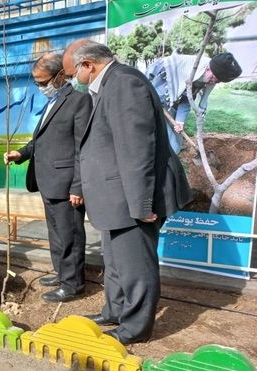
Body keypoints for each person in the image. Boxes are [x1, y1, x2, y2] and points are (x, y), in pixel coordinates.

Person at [64, 40, 192, 344]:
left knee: (136, 264)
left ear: (88, 65)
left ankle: (135, 327)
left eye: (72, 73)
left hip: (129, 197)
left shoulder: (123, 84)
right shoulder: (109, 84)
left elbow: (137, 150)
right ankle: (116, 310)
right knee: (116, 261)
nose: (72, 80)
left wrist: (141, 204)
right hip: (113, 197)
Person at [4, 53, 91, 303]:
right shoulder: (53, 101)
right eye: (37, 83)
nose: (40, 87)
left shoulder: (79, 101)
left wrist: (78, 186)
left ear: (61, 76)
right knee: (56, 233)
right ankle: (63, 274)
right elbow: (41, 140)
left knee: (70, 234)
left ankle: (73, 284)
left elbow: (82, 147)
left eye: (43, 82)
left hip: (66, 185)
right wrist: (20, 153)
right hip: (48, 181)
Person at [145, 52, 242, 153]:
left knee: (176, 141)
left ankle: (170, 156)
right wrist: (146, 93)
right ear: (208, 69)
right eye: (214, 78)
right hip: (151, 103)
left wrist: (179, 121)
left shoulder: (199, 79)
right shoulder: (173, 65)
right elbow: (147, 75)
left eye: (217, 82)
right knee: (164, 141)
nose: (213, 82)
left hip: (167, 106)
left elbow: (187, 100)